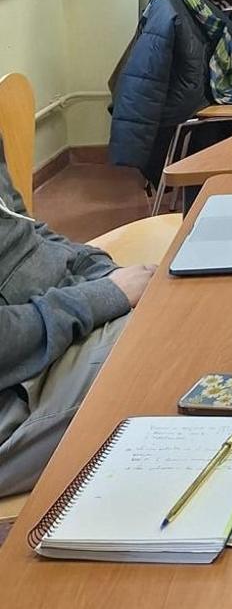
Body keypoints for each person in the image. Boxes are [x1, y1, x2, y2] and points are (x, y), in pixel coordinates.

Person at [0, 146, 155, 497]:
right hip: (14, 403)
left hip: (47, 340)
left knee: (188, 301)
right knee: (176, 348)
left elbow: (27, 231)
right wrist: (106, 296)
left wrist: (103, 274)